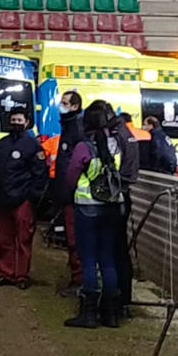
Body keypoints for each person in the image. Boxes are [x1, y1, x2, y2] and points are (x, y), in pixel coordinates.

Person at [59, 100, 125, 329]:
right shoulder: (116, 144)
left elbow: (70, 178)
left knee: (88, 259)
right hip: (113, 207)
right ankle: (111, 314)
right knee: (107, 258)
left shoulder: (83, 147)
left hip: (87, 207)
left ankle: (89, 314)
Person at [0, 107, 48, 289]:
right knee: (4, 239)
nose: (15, 123)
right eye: (13, 120)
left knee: (23, 239)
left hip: (23, 201)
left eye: (19, 120)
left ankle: (21, 275)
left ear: (27, 122)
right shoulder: (1, 144)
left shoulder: (33, 146)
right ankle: (6, 272)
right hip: (2, 200)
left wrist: (32, 198)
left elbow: (40, 175)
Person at [53, 89, 86, 298]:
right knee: (72, 239)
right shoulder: (69, 125)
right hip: (68, 193)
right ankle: (77, 277)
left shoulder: (74, 127)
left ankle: (80, 280)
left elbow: (71, 163)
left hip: (73, 194)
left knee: (76, 240)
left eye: (65, 103)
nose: (61, 105)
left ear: (75, 106)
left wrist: (67, 189)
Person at [109, 108, 141, 315]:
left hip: (116, 196)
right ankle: (122, 298)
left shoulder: (116, 137)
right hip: (124, 194)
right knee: (120, 250)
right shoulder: (127, 134)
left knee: (115, 251)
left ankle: (117, 301)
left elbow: (116, 168)